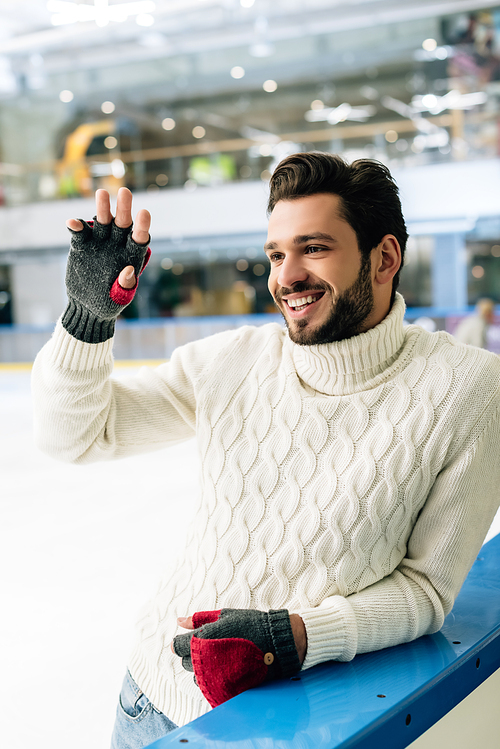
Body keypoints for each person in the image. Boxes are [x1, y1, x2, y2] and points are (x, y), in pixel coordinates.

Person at [32, 153, 500, 749]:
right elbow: (72, 437)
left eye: (314, 247)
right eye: (277, 254)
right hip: (151, 701)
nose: (288, 275)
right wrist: (86, 318)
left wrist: (299, 636)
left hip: (293, 726)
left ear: (384, 258)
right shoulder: (232, 361)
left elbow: (427, 590)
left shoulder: (468, 390)